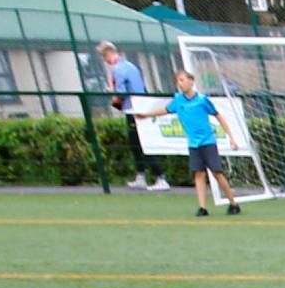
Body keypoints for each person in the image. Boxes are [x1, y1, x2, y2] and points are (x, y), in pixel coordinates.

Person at [166, 68, 240, 217]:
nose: (180, 84)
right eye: (178, 81)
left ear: (191, 81)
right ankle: (202, 208)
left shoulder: (202, 100)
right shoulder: (178, 100)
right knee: (198, 174)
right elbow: (164, 110)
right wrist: (144, 115)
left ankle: (233, 203)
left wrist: (231, 137)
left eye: (182, 80)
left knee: (217, 173)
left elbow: (218, 116)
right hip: (193, 145)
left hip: (208, 142)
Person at [97, 40, 163, 190]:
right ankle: (141, 175)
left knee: (140, 143)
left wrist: (111, 93)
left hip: (133, 109)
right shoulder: (131, 66)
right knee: (136, 143)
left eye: (103, 57)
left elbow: (120, 93)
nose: (104, 61)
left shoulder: (118, 69)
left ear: (107, 54)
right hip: (140, 106)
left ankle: (160, 177)